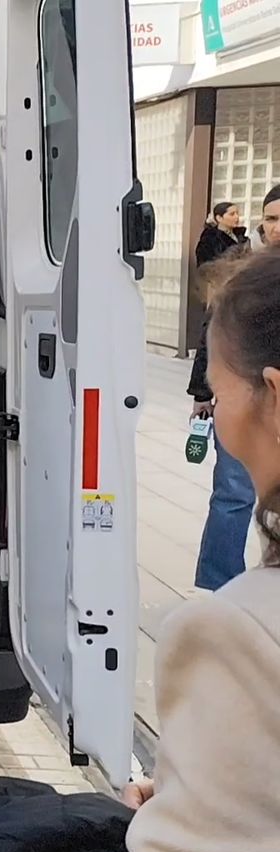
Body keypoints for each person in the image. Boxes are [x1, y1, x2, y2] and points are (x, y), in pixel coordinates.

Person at [76, 248, 280, 852]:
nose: (213, 416)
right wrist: (204, 792)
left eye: (217, 394)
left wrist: (177, 826)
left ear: (272, 395)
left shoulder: (238, 633)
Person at [187, 192, 278, 590]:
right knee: (233, 495)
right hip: (245, 397)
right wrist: (202, 393)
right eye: (271, 218)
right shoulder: (241, 267)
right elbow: (213, 335)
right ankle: (217, 584)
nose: (276, 227)